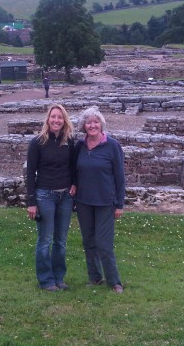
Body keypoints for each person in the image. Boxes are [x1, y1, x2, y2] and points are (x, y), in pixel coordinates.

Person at [73, 106, 125, 294]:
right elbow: (73, 170)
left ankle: (114, 281)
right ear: (84, 126)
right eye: (89, 122)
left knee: (104, 244)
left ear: (101, 124)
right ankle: (94, 278)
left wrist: (119, 204)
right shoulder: (79, 146)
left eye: (95, 122)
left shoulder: (112, 145)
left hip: (105, 202)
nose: (92, 125)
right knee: (88, 241)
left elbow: (120, 177)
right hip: (84, 201)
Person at [26, 104, 76, 292]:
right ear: (48, 119)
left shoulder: (69, 141)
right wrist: (31, 202)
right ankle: (46, 280)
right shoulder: (37, 143)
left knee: (60, 241)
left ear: (64, 120)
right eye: (53, 117)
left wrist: (75, 184)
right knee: (45, 239)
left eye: (60, 117)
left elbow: (73, 167)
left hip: (65, 196)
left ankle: (59, 277)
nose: (56, 120)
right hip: (44, 195)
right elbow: (30, 173)